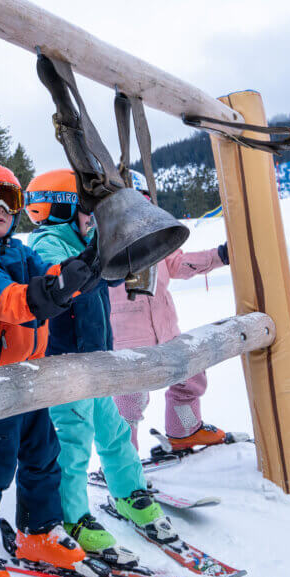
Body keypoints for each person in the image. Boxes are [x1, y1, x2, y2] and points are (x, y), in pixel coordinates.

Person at [0, 164, 98, 577]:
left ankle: (39, 531)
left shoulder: (19, 251)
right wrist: (48, 294)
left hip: (28, 376)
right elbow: (4, 299)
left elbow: (46, 274)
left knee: (42, 454)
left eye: (9, 200)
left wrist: (73, 276)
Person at [26, 168, 178, 559]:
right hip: (63, 365)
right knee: (73, 442)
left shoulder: (82, 239)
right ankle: (73, 515)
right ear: (61, 210)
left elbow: (105, 277)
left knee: (113, 434)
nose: (92, 219)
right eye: (87, 211)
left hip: (95, 361)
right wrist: (97, 256)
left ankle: (129, 493)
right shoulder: (47, 243)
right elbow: (64, 278)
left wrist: (124, 250)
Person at [110, 170, 231, 451]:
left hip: (167, 334)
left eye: (142, 202)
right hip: (127, 344)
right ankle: (122, 460)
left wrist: (219, 256)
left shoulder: (158, 239)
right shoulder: (104, 243)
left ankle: (184, 429)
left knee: (191, 376)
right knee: (129, 404)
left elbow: (178, 264)